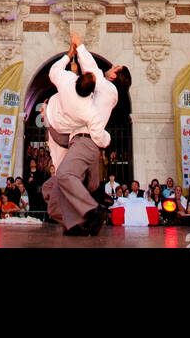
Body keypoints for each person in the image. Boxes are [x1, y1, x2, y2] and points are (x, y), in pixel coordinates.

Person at [42, 33, 121, 235]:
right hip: (68, 136)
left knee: (64, 177)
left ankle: (89, 210)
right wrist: (107, 140)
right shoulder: (88, 110)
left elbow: (56, 70)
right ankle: (78, 220)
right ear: (91, 91)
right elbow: (99, 134)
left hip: (62, 133)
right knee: (54, 187)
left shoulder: (67, 81)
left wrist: (72, 50)